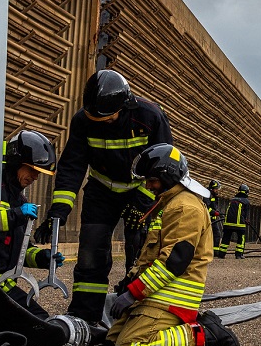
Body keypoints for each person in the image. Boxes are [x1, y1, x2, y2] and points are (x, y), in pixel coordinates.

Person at [36, 70, 173, 324]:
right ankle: (85, 314)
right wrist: (59, 210)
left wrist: (145, 202)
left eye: (106, 118)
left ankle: (134, 311)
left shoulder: (150, 116)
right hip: (101, 190)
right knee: (91, 252)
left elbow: (163, 164)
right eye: (95, 118)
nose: (101, 122)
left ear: (124, 106)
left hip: (140, 190)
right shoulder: (83, 121)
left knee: (141, 252)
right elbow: (72, 166)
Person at [106, 143, 240, 346]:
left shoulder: (185, 207)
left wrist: (133, 293)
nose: (148, 186)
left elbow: (174, 262)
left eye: (152, 180)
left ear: (168, 177)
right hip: (157, 293)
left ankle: (207, 334)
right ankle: (191, 326)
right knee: (112, 341)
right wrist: (128, 282)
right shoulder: (170, 203)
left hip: (172, 298)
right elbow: (151, 255)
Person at [0, 130, 63, 318]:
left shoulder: (20, 201)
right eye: (32, 170)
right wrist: (16, 215)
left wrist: (43, 258)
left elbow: (22, 249)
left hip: (3, 287)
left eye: (38, 172)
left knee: (43, 322)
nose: (35, 177)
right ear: (17, 163)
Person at [216, 184, 250, 259]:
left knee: (225, 238)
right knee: (241, 239)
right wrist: (247, 220)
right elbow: (246, 214)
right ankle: (239, 255)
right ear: (246, 192)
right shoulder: (246, 201)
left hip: (228, 224)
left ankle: (221, 254)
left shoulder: (232, 200)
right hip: (239, 224)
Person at [206, 179, 224, 255]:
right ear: (212, 189)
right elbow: (206, 207)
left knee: (216, 235)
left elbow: (214, 207)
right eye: (216, 189)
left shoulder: (213, 196)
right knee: (216, 235)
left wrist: (218, 213)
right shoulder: (207, 195)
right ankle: (214, 251)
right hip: (208, 219)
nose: (217, 191)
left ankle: (214, 251)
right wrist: (214, 212)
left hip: (213, 219)